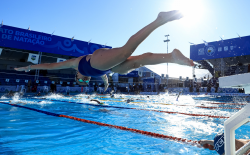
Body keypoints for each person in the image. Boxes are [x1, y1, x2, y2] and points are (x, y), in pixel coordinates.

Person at [15, 11, 194, 92]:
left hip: (98, 59)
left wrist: (30, 67)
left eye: (81, 79)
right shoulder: (98, 76)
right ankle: (171, 57)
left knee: (126, 51)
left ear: (77, 75)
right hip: (109, 67)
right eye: (85, 80)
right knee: (138, 61)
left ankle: (159, 20)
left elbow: (52, 65)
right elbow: (104, 77)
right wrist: (107, 85)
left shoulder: (75, 64)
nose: (84, 79)